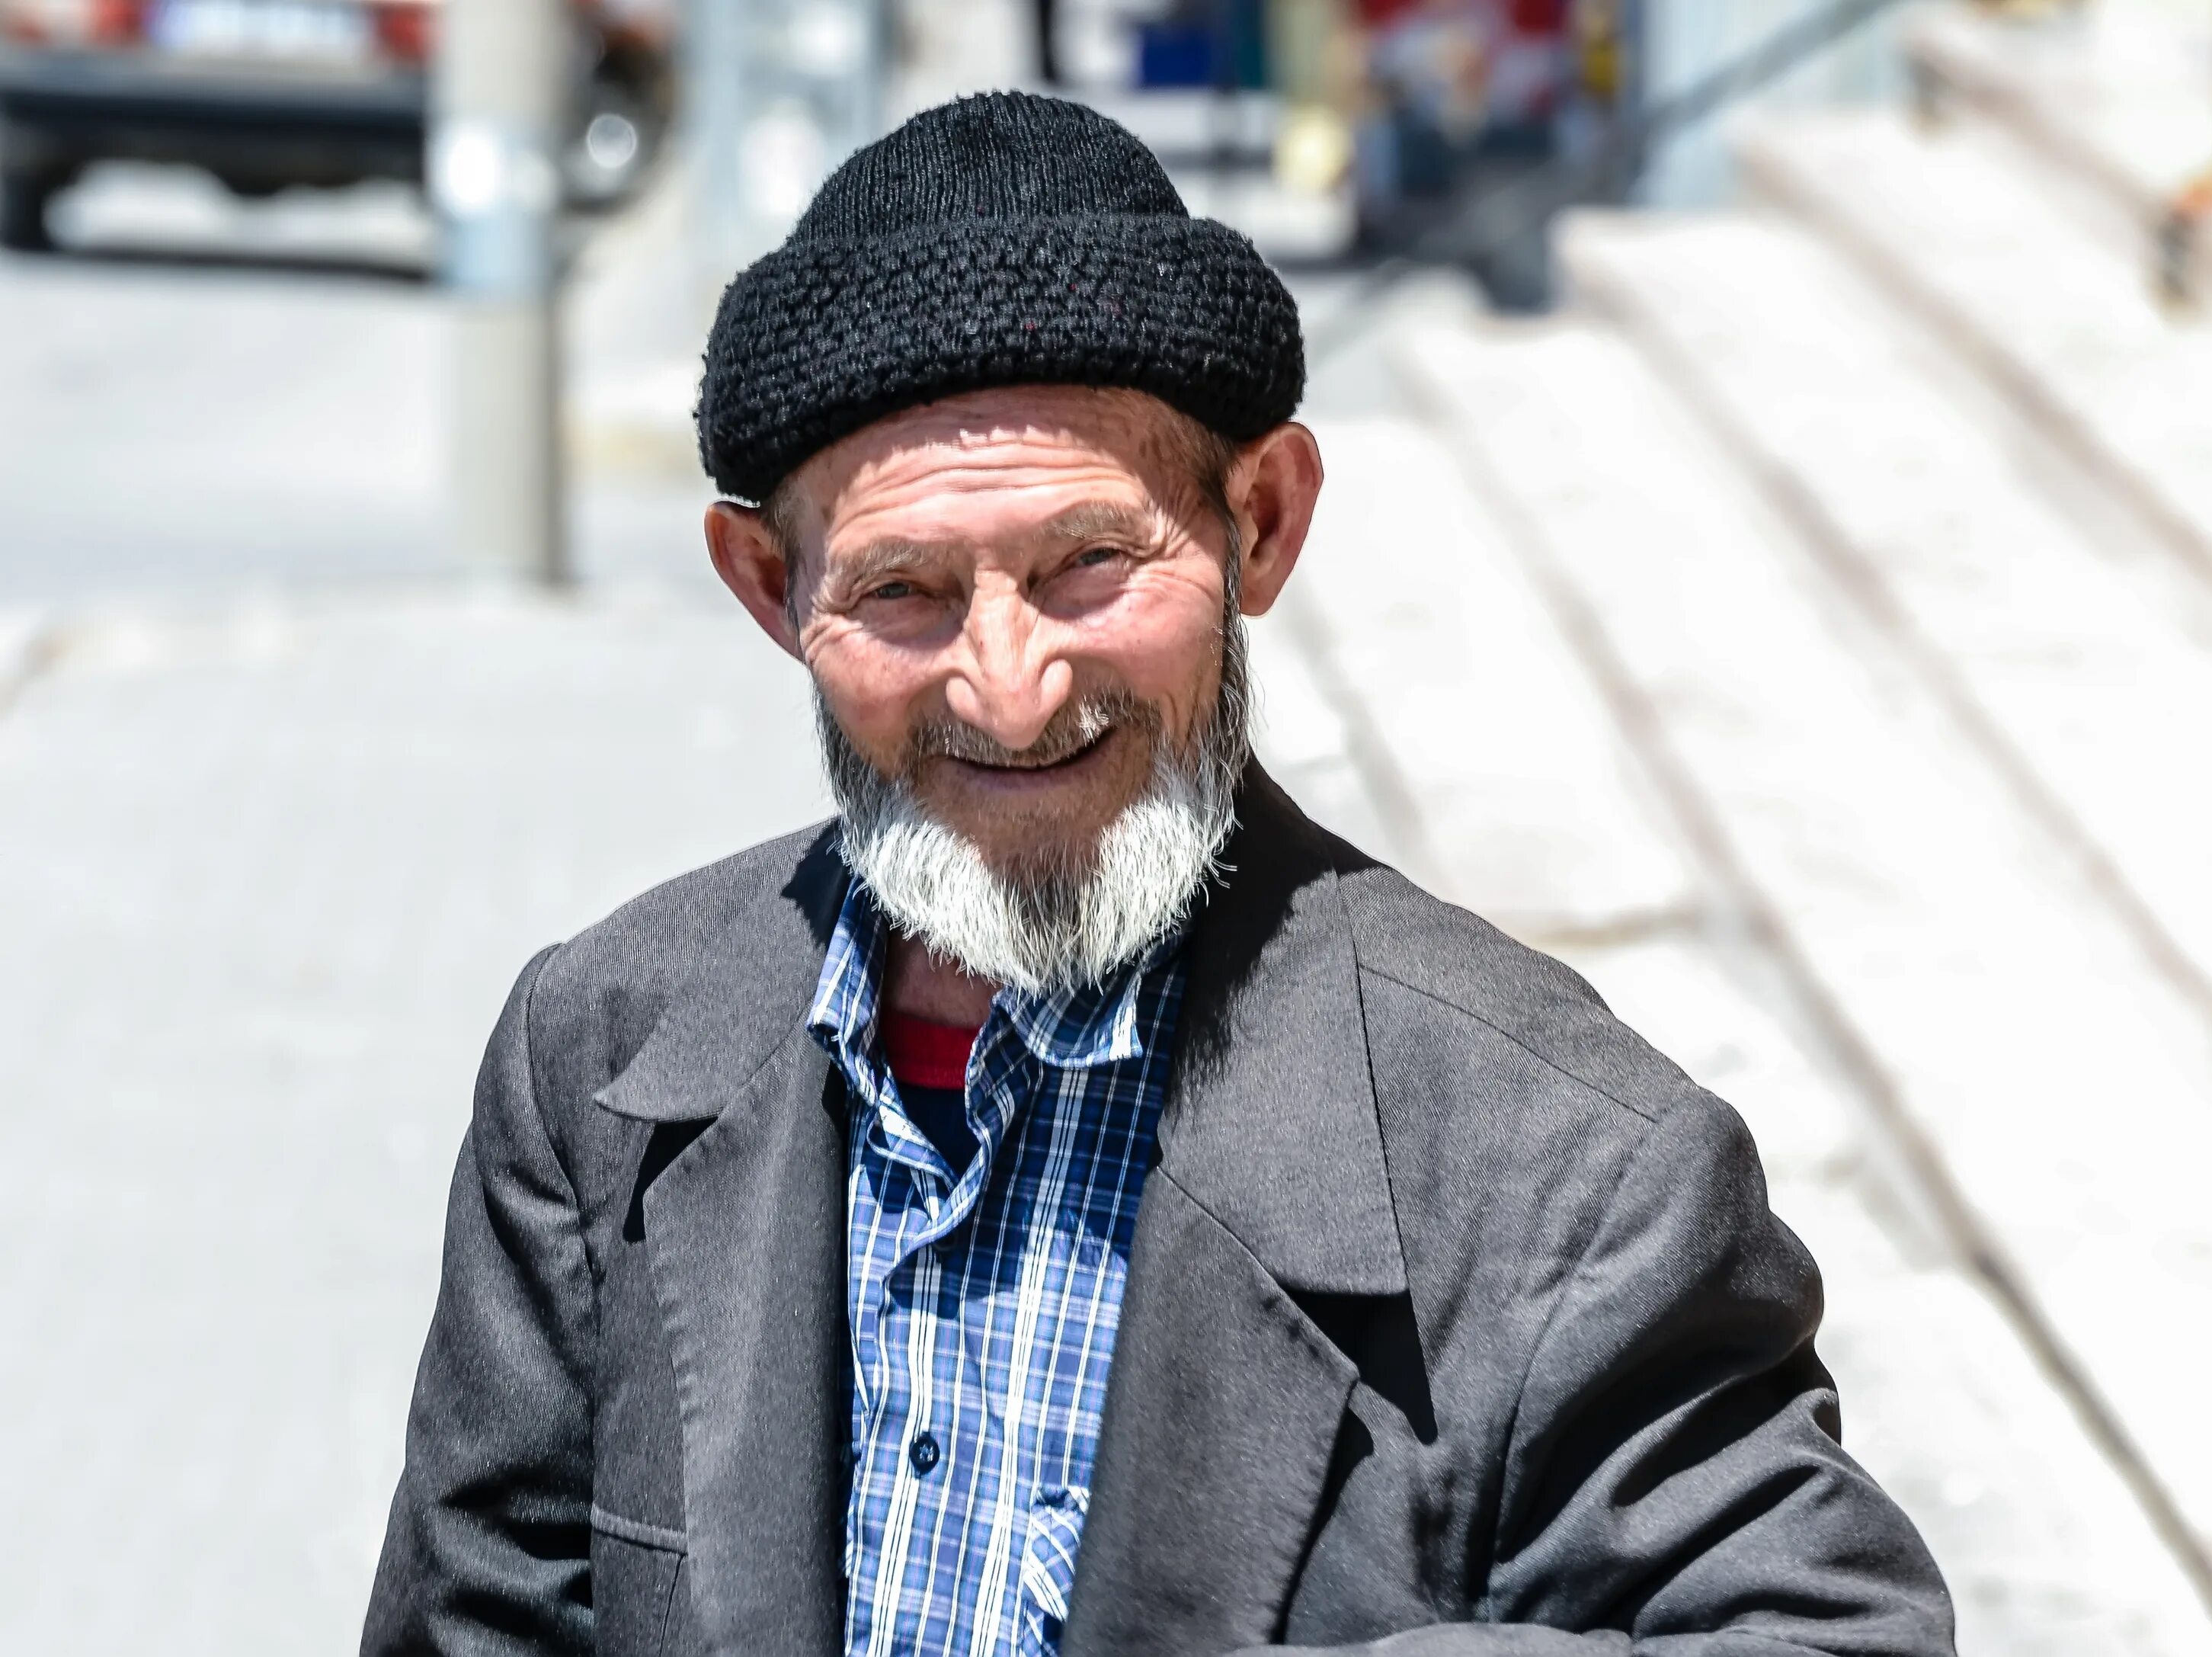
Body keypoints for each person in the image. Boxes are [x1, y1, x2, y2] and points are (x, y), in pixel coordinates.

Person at [363, 91, 1953, 1657]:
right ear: (770, 588)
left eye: (1089, 567)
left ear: (1260, 523)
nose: (1009, 683)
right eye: (903, 593)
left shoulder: (1564, 1170)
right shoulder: (601, 1062)